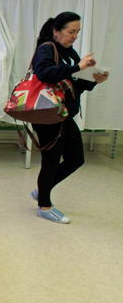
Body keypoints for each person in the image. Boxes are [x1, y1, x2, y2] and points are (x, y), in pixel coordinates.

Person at [30, 12, 108, 224]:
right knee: (51, 161)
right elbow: (45, 73)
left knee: (76, 159)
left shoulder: (68, 52)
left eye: (77, 32)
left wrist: (94, 79)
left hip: (63, 114)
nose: (74, 36)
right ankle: (44, 207)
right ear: (56, 32)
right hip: (47, 114)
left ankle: (42, 190)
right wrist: (78, 67)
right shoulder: (46, 48)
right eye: (71, 31)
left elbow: (73, 82)